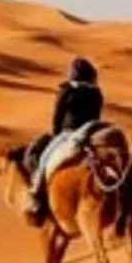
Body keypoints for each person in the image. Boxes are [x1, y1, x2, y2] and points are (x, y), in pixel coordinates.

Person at [28, 57, 105, 225]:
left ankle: (35, 195)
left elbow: (57, 117)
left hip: (69, 134)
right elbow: (97, 116)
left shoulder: (67, 91)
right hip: (91, 132)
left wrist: (56, 135)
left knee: (44, 159)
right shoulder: (96, 92)